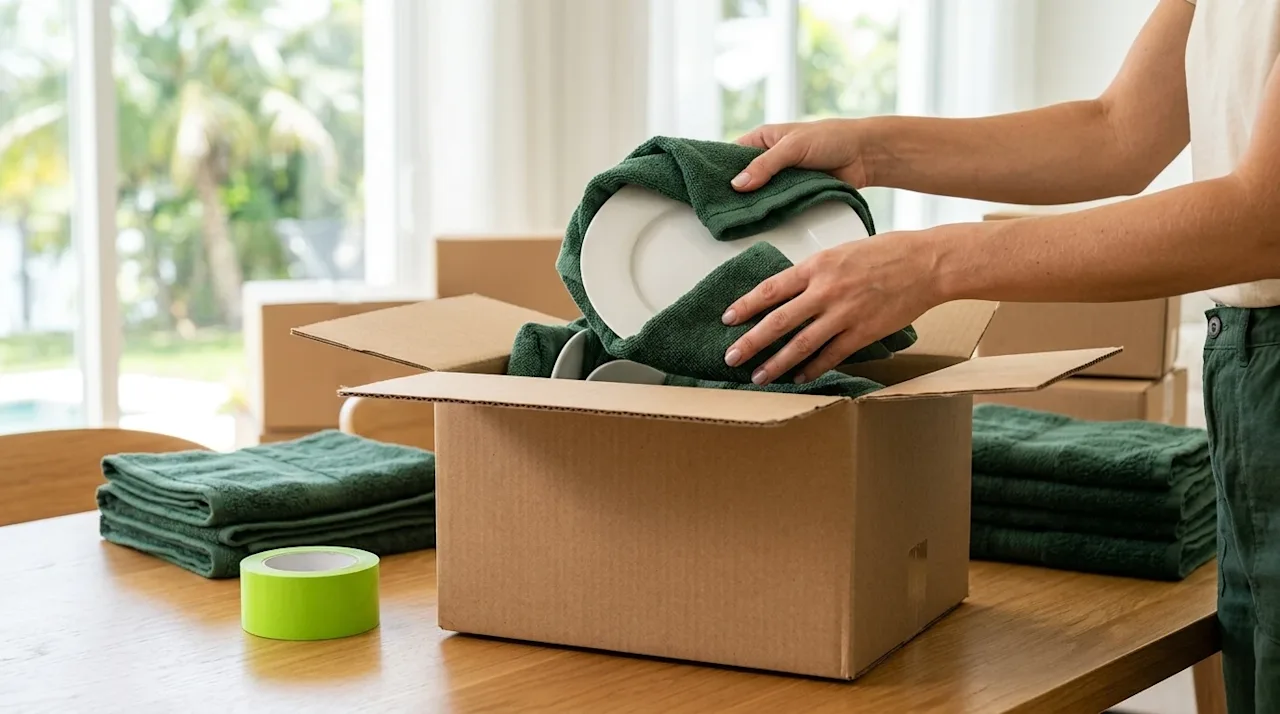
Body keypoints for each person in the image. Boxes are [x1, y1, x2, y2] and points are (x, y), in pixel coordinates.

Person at [720, 0, 1280, 710]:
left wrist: (931, 264)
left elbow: (1265, 220)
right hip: (1247, 372)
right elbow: (1118, 131)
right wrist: (867, 149)